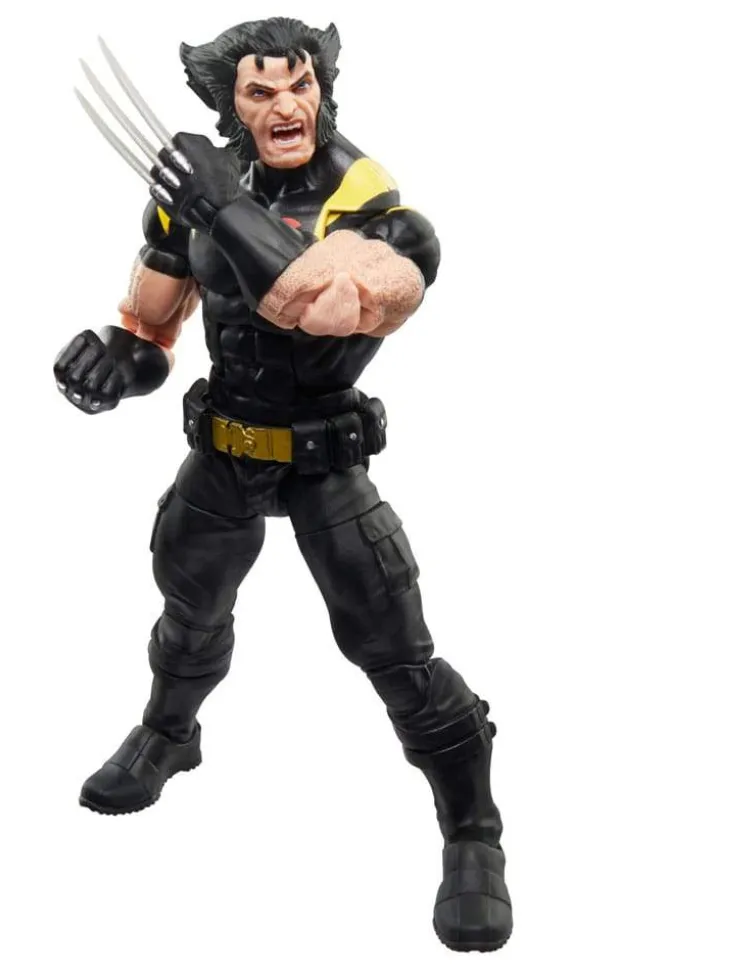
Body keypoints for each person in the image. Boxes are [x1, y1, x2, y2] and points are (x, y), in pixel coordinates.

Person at [54, 17, 512, 952]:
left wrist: (224, 207)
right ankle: (169, 735)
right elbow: (150, 329)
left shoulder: (379, 212)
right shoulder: (194, 200)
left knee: (394, 645)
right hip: (225, 444)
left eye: (299, 84)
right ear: (233, 108)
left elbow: (322, 306)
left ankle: (473, 829)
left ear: (323, 90)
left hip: (323, 458)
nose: (285, 106)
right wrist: (110, 363)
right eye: (260, 92)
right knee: (189, 604)